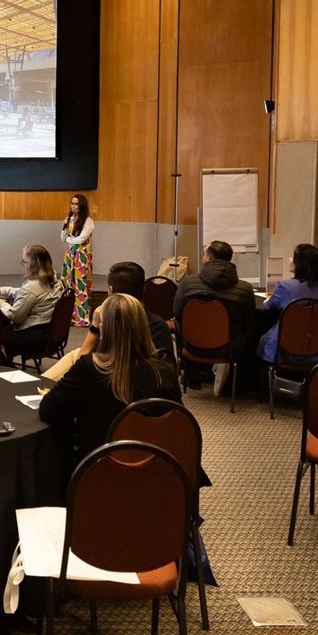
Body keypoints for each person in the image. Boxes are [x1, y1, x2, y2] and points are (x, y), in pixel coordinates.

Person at [38, 293, 182, 465]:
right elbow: (178, 426)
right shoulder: (164, 372)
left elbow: (47, 411)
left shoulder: (89, 369)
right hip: (159, 471)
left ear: (103, 328)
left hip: (102, 472)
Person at [42, 261, 173, 381]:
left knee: (69, 363)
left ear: (111, 291)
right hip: (145, 391)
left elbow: (80, 368)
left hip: (106, 382)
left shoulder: (111, 324)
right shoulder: (160, 326)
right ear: (144, 289)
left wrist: (94, 328)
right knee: (74, 354)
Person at [173, 240, 255, 391]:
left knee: (179, 323)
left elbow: (177, 313)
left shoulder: (188, 283)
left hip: (192, 345)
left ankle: (191, 375)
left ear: (210, 258)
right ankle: (237, 383)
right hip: (229, 348)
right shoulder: (245, 289)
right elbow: (249, 321)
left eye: (204, 255)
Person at [0, 244, 65, 363]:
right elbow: (27, 294)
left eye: (24, 262)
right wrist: (2, 291)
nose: (23, 265)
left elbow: (16, 317)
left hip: (34, 336)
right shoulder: (53, 278)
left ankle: (5, 367)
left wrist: (1, 303)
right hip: (49, 331)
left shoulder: (32, 287)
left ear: (33, 265)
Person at [258, 243, 318, 361]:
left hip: (284, 348)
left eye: (293, 257)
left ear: (301, 264)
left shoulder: (285, 286)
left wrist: (269, 300)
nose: (290, 259)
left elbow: (268, 309)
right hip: (317, 346)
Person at [60, 194, 95, 326]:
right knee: (67, 282)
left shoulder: (88, 221)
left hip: (81, 255)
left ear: (82, 206)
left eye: (76, 204)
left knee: (80, 284)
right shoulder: (69, 219)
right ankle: (68, 315)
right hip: (69, 254)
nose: (73, 206)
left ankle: (81, 318)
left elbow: (81, 239)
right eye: (72, 203)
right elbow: (63, 238)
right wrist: (64, 227)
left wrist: (69, 240)